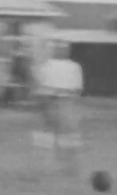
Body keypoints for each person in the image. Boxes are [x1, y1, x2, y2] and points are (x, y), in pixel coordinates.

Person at [31, 39, 85, 175]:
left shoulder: (72, 67)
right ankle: (45, 166)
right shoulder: (47, 66)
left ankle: (69, 167)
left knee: (65, 136)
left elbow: (77, 89)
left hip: (63, 100)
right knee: (52, 135)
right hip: (54, 100)